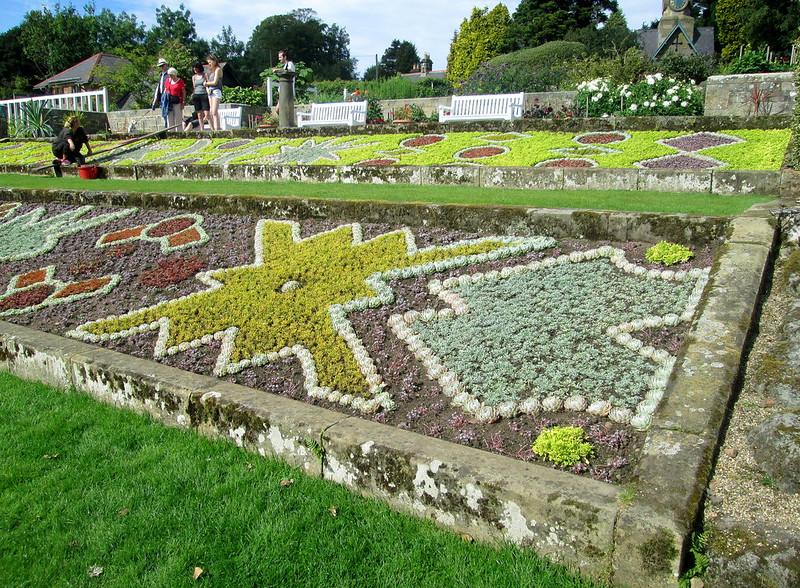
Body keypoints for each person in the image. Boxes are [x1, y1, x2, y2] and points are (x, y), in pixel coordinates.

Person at [272, 49, 295, 115]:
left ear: (285, 57)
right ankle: (283, 123)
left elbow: (288, 72)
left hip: (287, 92)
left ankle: (285, 123)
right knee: (279, 110)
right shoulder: (285, 65)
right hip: (282, 92)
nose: (279, 59)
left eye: (280, 57)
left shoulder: (290, 64)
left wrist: (277, 70)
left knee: (279, 110)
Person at [203, 55, 223, 131]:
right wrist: (207, 87)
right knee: (211, 112)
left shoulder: (218, 69)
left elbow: (215, 82)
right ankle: (214, 130)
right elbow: (207, 82)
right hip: (210, 92)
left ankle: (217, 130)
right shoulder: (210, 71)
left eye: (210, 62)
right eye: (208, 63)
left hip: (216, 91)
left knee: (214, 111)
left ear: (214, 61)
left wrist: (206, 84)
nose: (209, 64)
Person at [189, 62, 209, 131]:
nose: (195, 69)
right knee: (199, 115)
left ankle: (213, 129)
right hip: (196, 95)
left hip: (204, 94)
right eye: (194, 68)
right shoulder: (193, 77)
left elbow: (207, 84)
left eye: (196, 68)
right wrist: (193, 95)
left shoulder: (205, 75)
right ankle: (202, 129)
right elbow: (194, 87)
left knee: (206, 114)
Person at [150, 58, 169, 128]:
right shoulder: (161, 75)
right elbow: (158, 87)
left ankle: (167, 128)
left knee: (167, 113)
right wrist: (155, 101)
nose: (161, 67)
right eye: (160, 66)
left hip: (167, 96)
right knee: (163, 113)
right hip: (161, 96)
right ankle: (166, 127)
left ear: (166, 65)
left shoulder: (169, 74)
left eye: (162, 65)